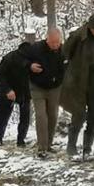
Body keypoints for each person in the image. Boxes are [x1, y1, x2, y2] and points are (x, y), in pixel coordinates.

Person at [61, 14, 94, 157]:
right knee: (79, 114)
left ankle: (87, 148)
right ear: (89, 27)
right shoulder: (79, 36)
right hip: (79, 79)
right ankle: (71, 146)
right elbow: (65, 53)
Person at [23, 28, 66, 158]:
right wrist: (30, 66)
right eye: (52, 42)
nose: (55, 45)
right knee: (41, 116)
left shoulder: (64, 51)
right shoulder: (36, 48)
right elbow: (21, 60)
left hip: (55, 88)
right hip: (37, 87)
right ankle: (41, 148)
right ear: (47, 39)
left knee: (52, 115)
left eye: (57, 42)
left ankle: (48, 144)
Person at [0, 39, 32, 147]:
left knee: (25, 117)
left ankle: (21, 140)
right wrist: (8, 90)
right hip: (7, 90)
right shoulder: (9, 58)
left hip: (24, 91)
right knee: (3, 116)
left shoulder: (32, 61)